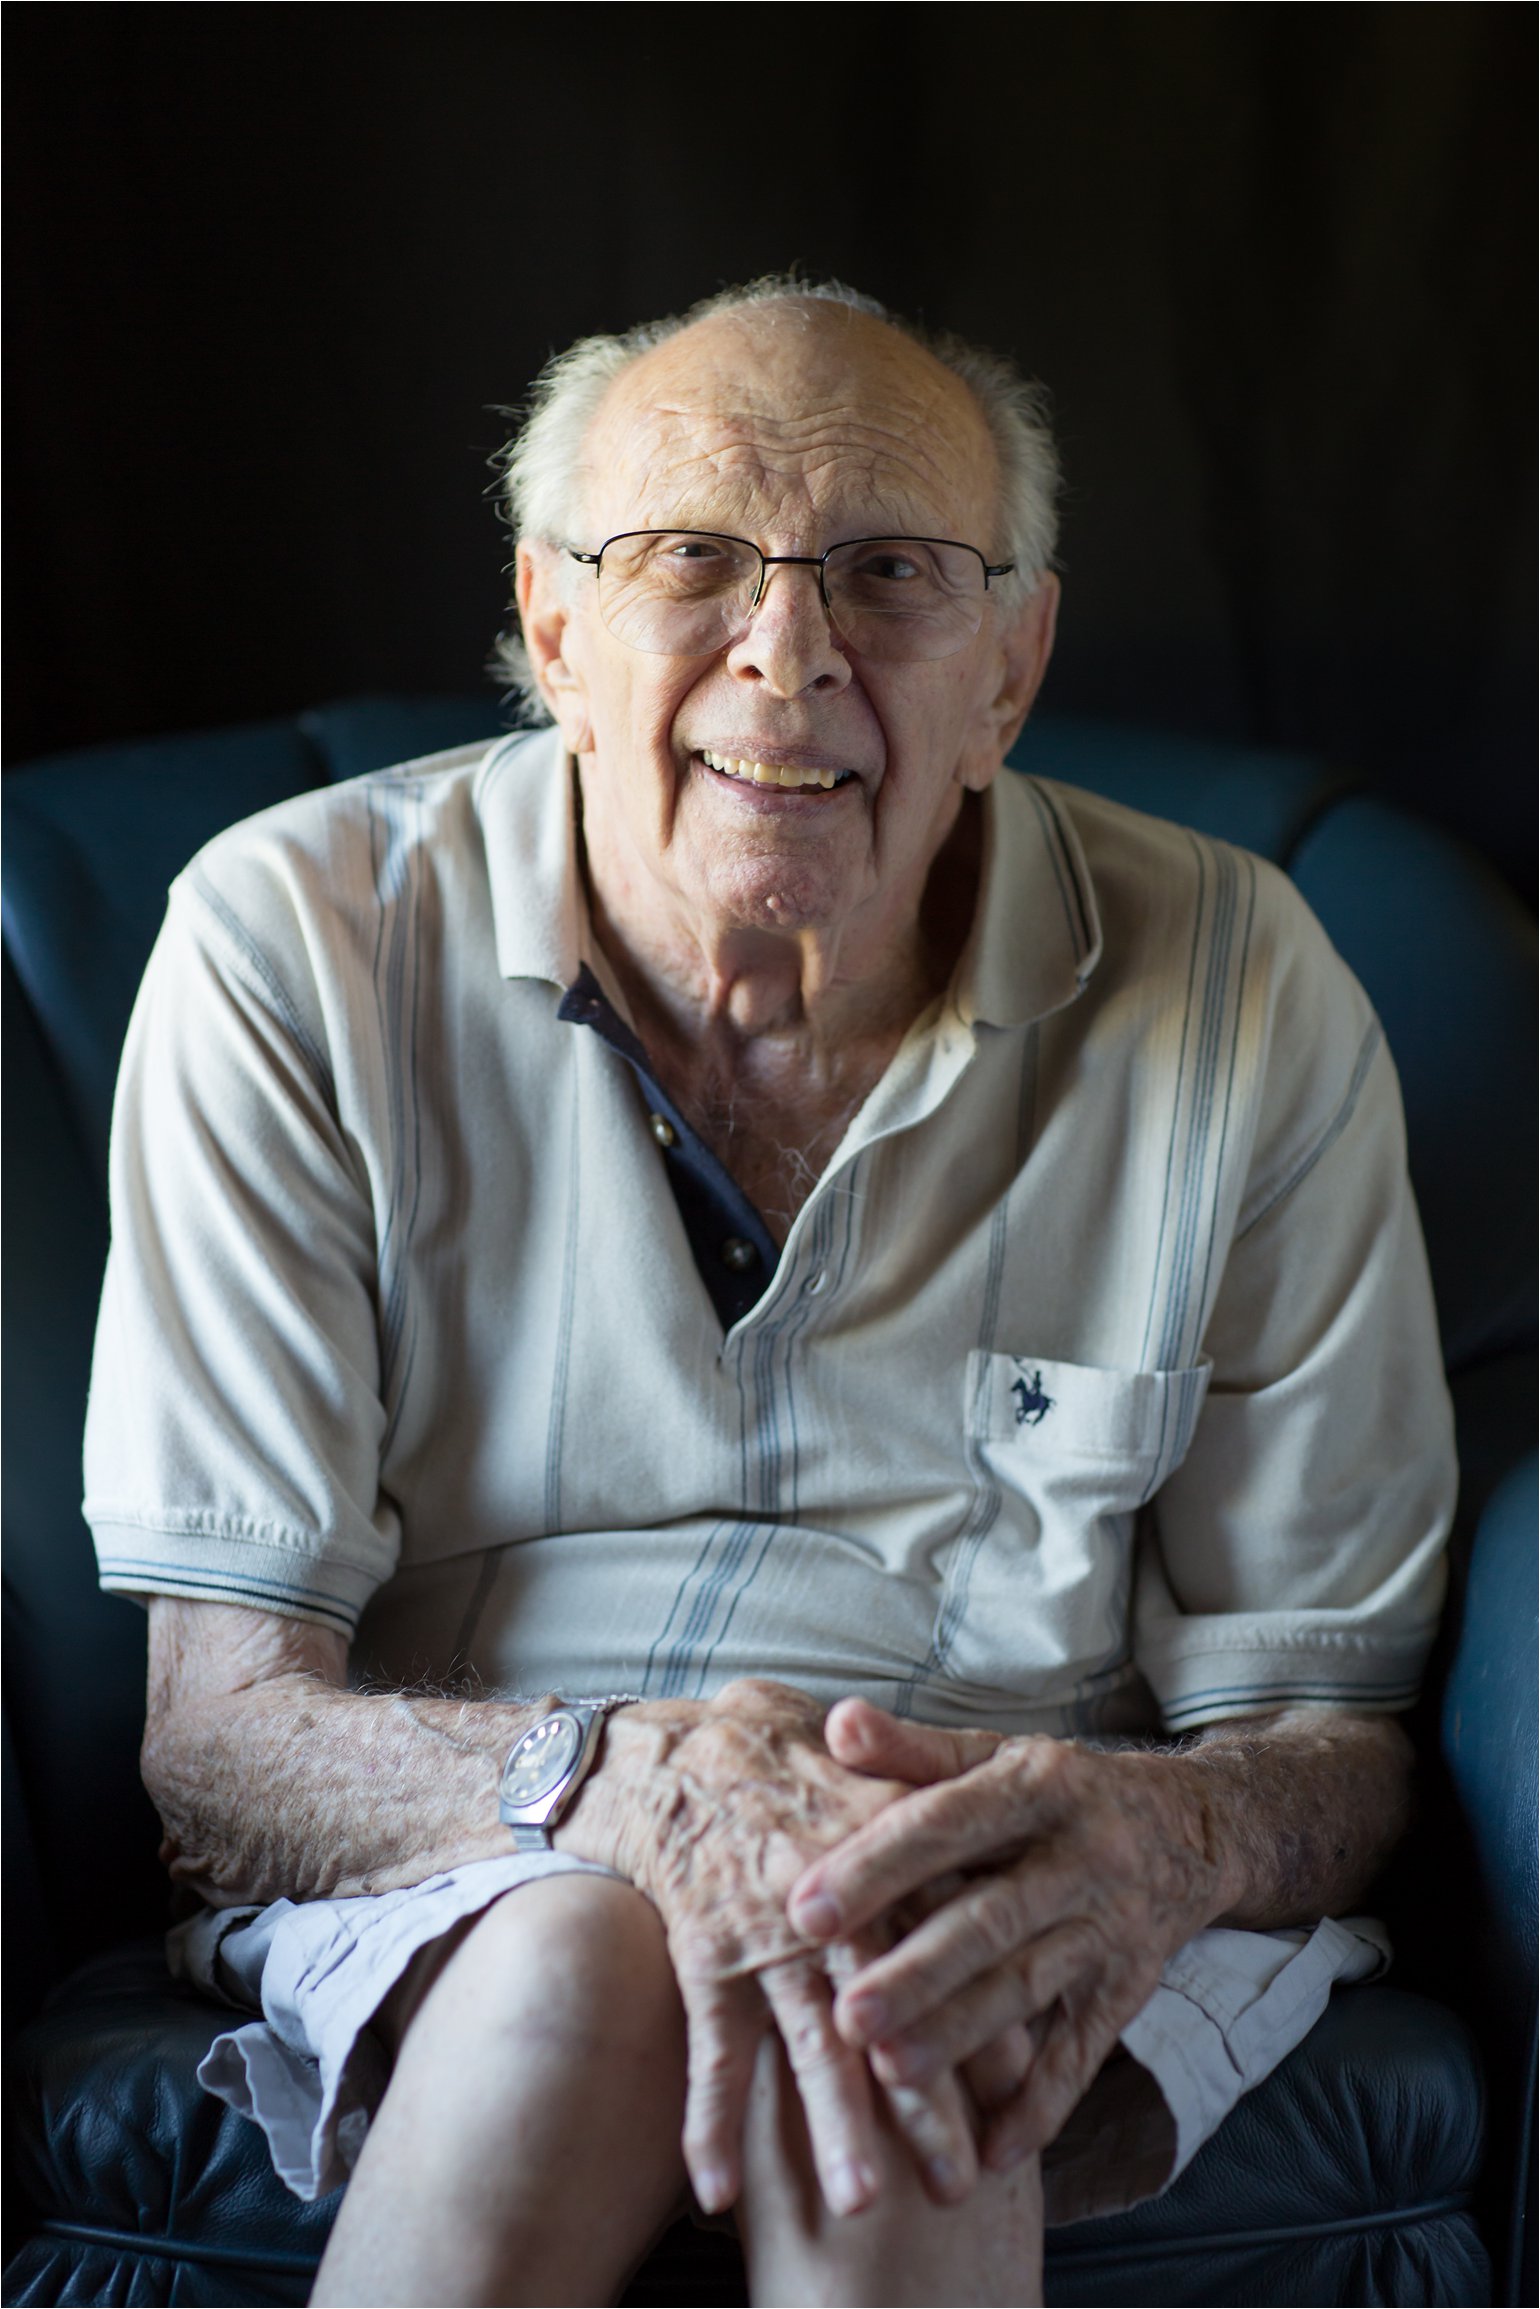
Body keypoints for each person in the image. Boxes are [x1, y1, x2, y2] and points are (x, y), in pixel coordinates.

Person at [84, 276, 1454, 2308]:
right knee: (579, 1956)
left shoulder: (1243, 982)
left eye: (889, 572)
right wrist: (612, 1788)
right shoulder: (291, 944)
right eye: (688, 563)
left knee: (902, 1991)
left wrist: (1137, 1843)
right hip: (476, 1830)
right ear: (550, 626)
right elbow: (220, 1744)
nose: (784, 654)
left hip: (1003, 1831)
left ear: (1010, 662)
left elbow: (1320, 1733)